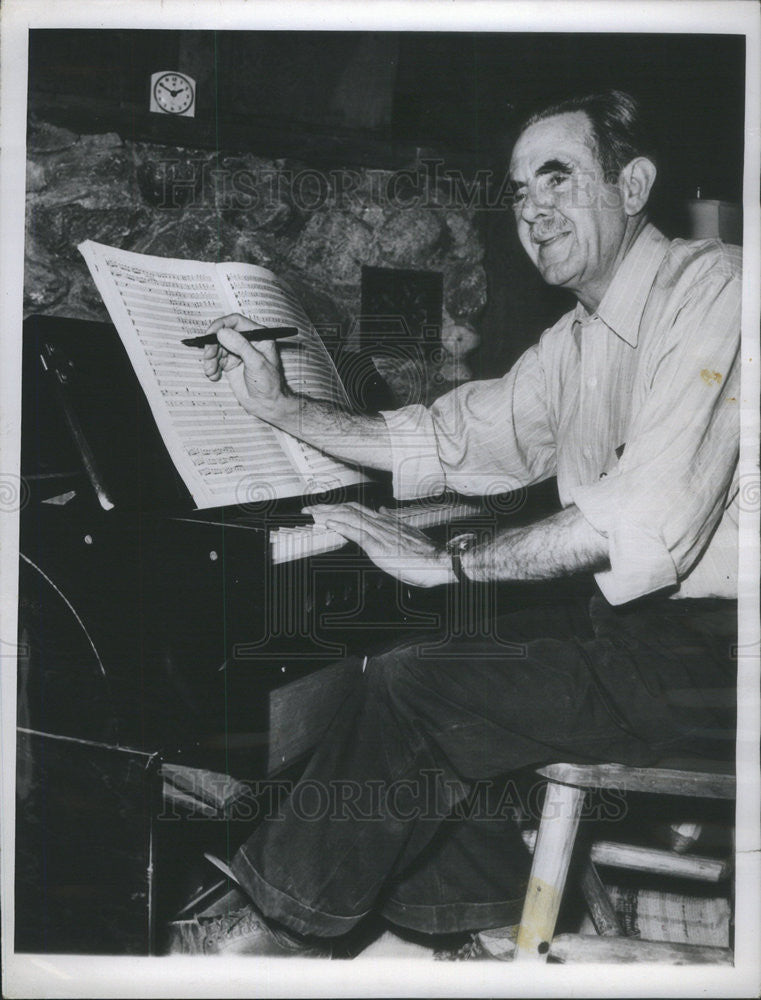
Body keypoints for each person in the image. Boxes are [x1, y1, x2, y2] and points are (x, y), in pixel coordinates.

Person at [170, 90, 741, 956]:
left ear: (632, 185)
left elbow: (647, 517)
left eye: (557, 177)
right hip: (644, 640)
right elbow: (452, 436)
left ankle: (274, 927)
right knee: (437, 652)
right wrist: (285, 409)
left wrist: (458, 562)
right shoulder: (579, 337)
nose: (533, 208)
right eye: (517, 190)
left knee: (418, 684)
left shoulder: (718, 287)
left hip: (721, 668)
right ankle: (468, 917)